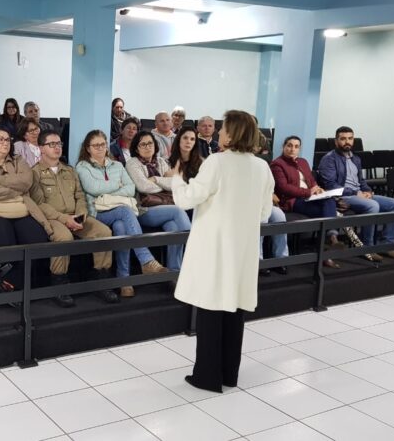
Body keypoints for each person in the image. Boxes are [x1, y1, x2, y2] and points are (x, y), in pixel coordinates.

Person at [170, 110, 274, 393]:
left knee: (210, 309)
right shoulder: (261, 167)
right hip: (243, 248)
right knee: (234, 310)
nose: (218, 133)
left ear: (234, 133)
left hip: (215, 247)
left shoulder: (217, 162)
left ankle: (206, 376)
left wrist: (177, 177)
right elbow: (265, 212)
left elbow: (187, 199)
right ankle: (229, 373)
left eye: (223, 128)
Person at [76, 130, 167, 299]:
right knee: (125, 212)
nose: (100, 148)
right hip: (97, 212)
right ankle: (146, 260)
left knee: (121, 226)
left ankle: (124, 280)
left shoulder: (117, 165)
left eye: (103, 144)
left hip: (117, 212)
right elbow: (93, 188)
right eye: (95, 145)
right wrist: (117, 186)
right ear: (88, 148)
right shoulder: (82, 166)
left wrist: (109, 189)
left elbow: (130, 188)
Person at [30, 130, 114, 306]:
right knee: (64, 237)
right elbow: (39, 204)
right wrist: (64, 219)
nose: (57, 147)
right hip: (53, 218)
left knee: (104, 232)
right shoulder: (34, 173)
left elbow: (79, 196)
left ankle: (102, 281)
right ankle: (59, 285)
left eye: (59, 144)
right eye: (51, 144)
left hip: (76, 215)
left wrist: (81, 215)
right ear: (41, 148)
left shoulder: (69, 170)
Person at [0, 126, 52, 292]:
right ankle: (16, 287)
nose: (5, 143)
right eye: (0, 139)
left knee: (38, 240)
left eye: (8, 139)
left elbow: (26, 181)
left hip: (22, 211)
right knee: (7, 245)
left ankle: (9, 282)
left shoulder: (17, 160)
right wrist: (15, 190)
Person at [318, 126, 394, 261]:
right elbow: (331, 186)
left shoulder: (356, 159)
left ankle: (387, 246)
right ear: (336, 141)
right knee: (373, 206)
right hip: (343, 196)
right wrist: (356, 193)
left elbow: (361, 181)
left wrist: (368, 191)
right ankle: (366, 248)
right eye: (343, 139)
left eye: (350, 138)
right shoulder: (329, 159)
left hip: (359, 194)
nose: (347, 142)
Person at [271, 136, 344, 269]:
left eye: (296, 146)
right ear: (284, 146)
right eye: (289, 145)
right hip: (293, 201)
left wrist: (318, 188)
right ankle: (331, 241)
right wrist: (308, 192)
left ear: (299, 149)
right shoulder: (277, 164)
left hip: (310, 199)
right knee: (328, 214)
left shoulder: (303, 162)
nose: (292, 149)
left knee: (329, 201)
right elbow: (283, 187)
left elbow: (311, 180)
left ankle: (330, 240)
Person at [125, 131, 191, 271]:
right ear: (136, 148)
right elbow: (143, 187)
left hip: (165, 207)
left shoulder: (161, 161)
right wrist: (164, 183)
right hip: (144, 210)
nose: (148, 147)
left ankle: (174, 273)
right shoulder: (132, 164)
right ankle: (194, 248)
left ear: (155, 145)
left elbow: (176, 184)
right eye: (143, 144)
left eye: (150, 143)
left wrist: (156, 179)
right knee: (178, 210)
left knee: (174, 229)